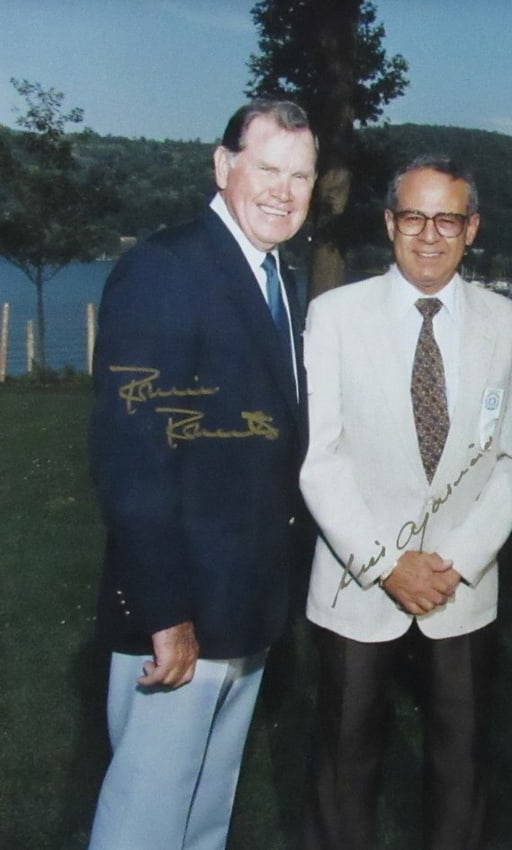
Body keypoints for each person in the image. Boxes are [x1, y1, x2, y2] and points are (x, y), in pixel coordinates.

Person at [87, 98, 317, 849]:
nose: (283, 191)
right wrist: (165, 613)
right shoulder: (165, 269)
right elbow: (133, 462)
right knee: (144, 825)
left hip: (245, 609)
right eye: (267, 169)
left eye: (301, 175)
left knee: (202, 822)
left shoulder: (279, 277)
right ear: (223, 167)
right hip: (178, 617)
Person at [298, 154, 512, 850]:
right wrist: (387, 562)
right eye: (415, 217)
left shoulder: (509, 323)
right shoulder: (334, 315)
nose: (431, 235)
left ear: (472, 227)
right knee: (344, 774)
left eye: (448, 219)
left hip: (461, 591)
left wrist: (452, 562)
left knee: (460, 772)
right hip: (355, 585)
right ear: (390, 223)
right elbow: (320, 459)